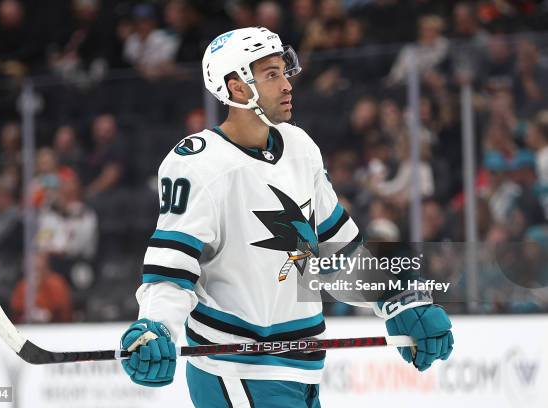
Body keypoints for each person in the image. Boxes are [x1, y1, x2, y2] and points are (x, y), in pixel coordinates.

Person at [120, 27, 454, 407]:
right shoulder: (197, 164)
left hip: (302, 369)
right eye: (271, 74)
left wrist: (395, 297)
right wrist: (157, 326)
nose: (287, 84)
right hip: (237, 371)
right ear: (237, 88)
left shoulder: (300, 147)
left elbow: (337, 255)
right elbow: (171, 270)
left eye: (284, 70)